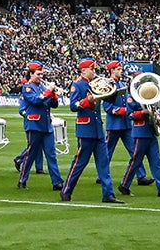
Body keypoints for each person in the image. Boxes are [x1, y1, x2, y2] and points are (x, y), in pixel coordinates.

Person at [62, 58, 119, 203]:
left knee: (104, 163)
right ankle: (66, 190)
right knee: (80, 162)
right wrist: (87, 101)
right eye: (91, 69)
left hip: (98, 129)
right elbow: (73, 106)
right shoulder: (78, 85)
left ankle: (108, 194)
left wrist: (112, 90)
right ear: (84, 71)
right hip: (85, 129)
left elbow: (108, 100)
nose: (94, 71)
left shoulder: (95, 84)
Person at [12, 63, 64, 191]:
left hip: (46, 125)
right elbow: (36, 100)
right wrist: (48, 91)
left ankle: (56, 182)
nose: (41, 76)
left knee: (51, 155)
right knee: (31, 154)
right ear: (31, 74)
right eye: (38, 74)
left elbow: (53, 105)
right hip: (34, 124)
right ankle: (22, 180)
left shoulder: (42, 87)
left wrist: (54, 95)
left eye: (42, 74)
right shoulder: (27, 88)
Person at [124, 76, 160, 198]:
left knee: (156, 162)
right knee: (136, 161)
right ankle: (125, 184)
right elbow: (129, 115)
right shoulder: (132, 98)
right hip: (140, 133)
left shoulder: (152, 97)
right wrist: (142, 112)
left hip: (151, 132)